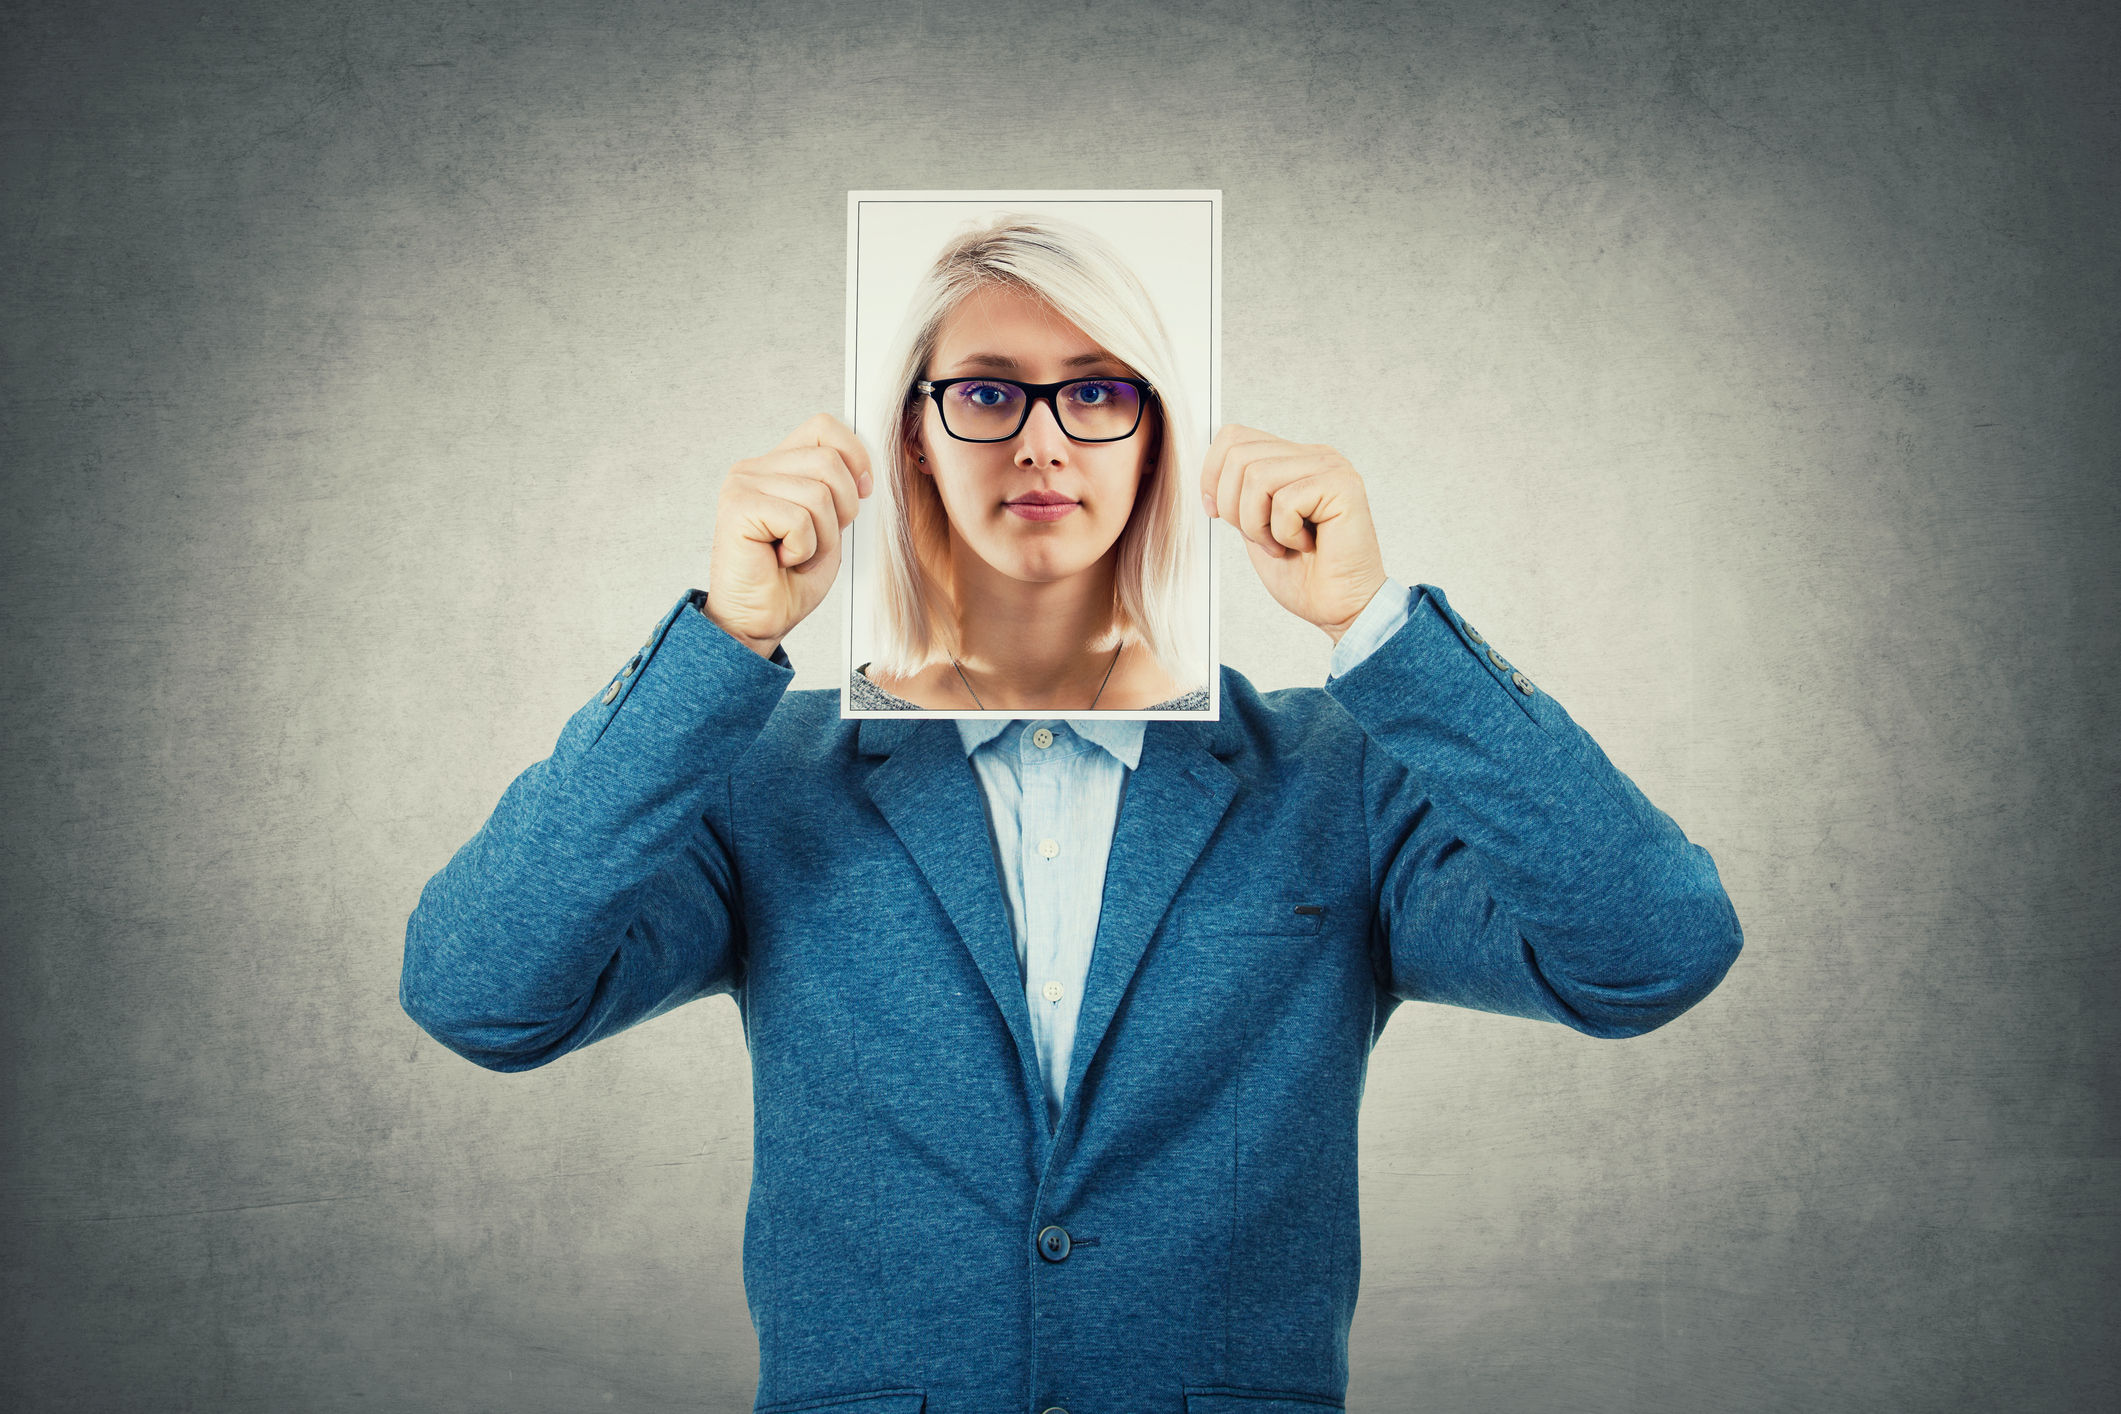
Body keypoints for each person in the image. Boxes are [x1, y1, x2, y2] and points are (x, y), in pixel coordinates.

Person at [400, 217, 1744, 1414]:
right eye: (986, 391)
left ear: (1160, 431)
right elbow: (480, 990)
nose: (1042, 440)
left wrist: (1374, 626)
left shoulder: (1338, 770)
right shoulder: (766, 774)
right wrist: (724, 640)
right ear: (909, 438)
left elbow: (1651, 950)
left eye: (1097, 390)